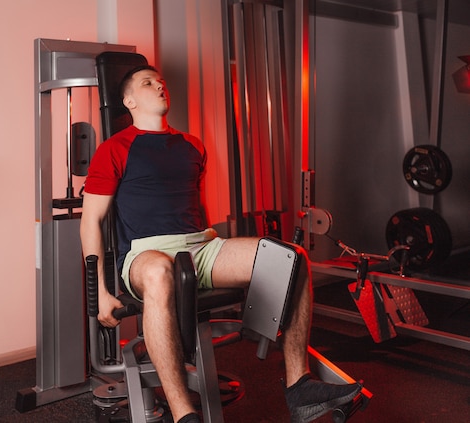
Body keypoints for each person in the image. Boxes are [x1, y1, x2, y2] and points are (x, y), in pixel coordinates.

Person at [80, 65, 362, 423]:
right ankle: (184, 414)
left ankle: (300, 386)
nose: (160, 86)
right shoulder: (114, 148)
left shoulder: (192, 145)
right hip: (148, 252)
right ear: (129, 100)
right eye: (148, 83)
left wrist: (214, 243)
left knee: (292, 259)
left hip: (203, 247)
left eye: (161, 81)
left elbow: (198, 207)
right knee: (160, 272)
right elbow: (91, 220)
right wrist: (101, 290)